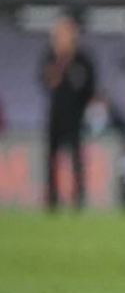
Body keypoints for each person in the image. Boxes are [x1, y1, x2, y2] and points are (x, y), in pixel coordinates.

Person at [39, 17, 95, 210]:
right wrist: (59, 62)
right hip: (55, 115)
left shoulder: (82, 60)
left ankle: (78, 200)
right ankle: (51, 200)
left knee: (76, 159)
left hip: (75, 116)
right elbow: (46, 82)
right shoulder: (51, 57)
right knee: (52, 160)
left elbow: (88, 86)